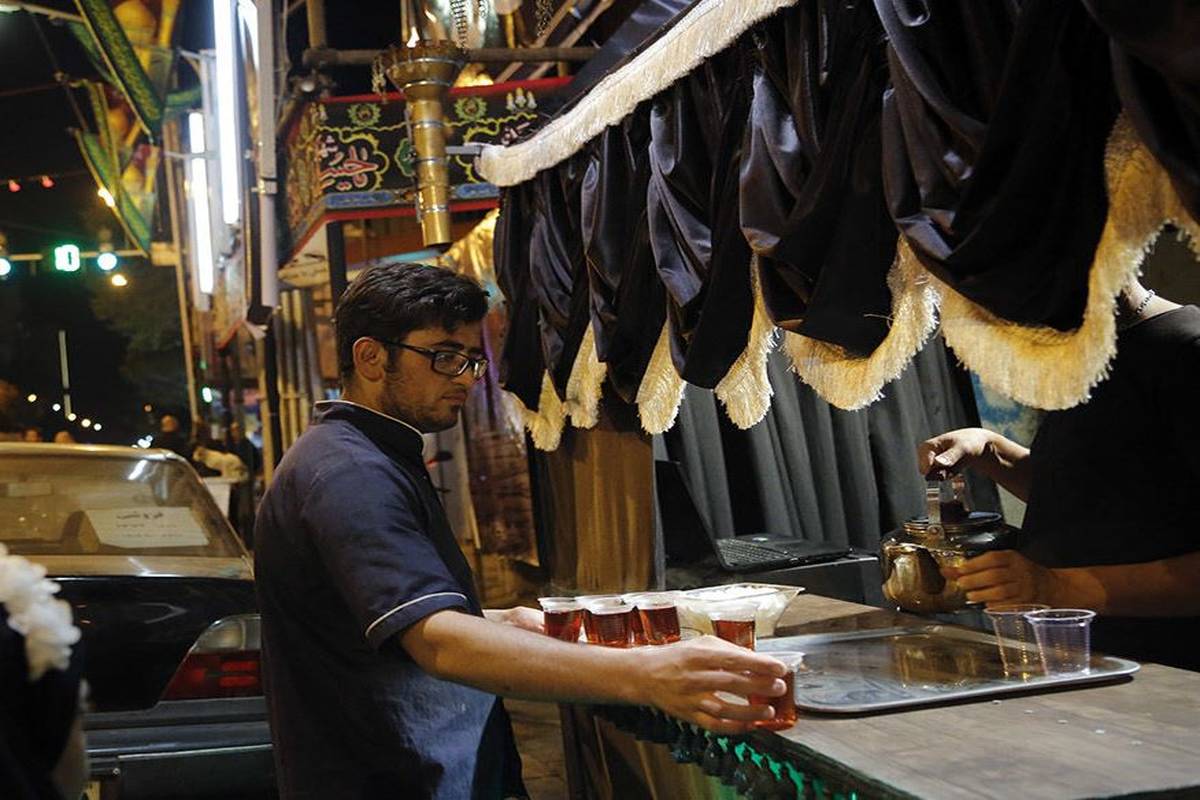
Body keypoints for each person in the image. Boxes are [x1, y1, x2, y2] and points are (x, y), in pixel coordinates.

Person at [254, 264, 788, 800]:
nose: (465, 378)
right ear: (371, 357)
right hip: (392, 777)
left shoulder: (368, 454)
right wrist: (644, 674)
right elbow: (437, 642)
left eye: (471, 360)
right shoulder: (349, 473)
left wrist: (497, 620)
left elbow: (375, 618)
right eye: (444, 356)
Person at [918, 280, 1200, 670]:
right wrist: (993, 451)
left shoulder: (1187, 352)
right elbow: (1103, 496)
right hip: (1083, 663)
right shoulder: (1092, 354)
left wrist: (1056, 587)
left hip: (1169, 677)